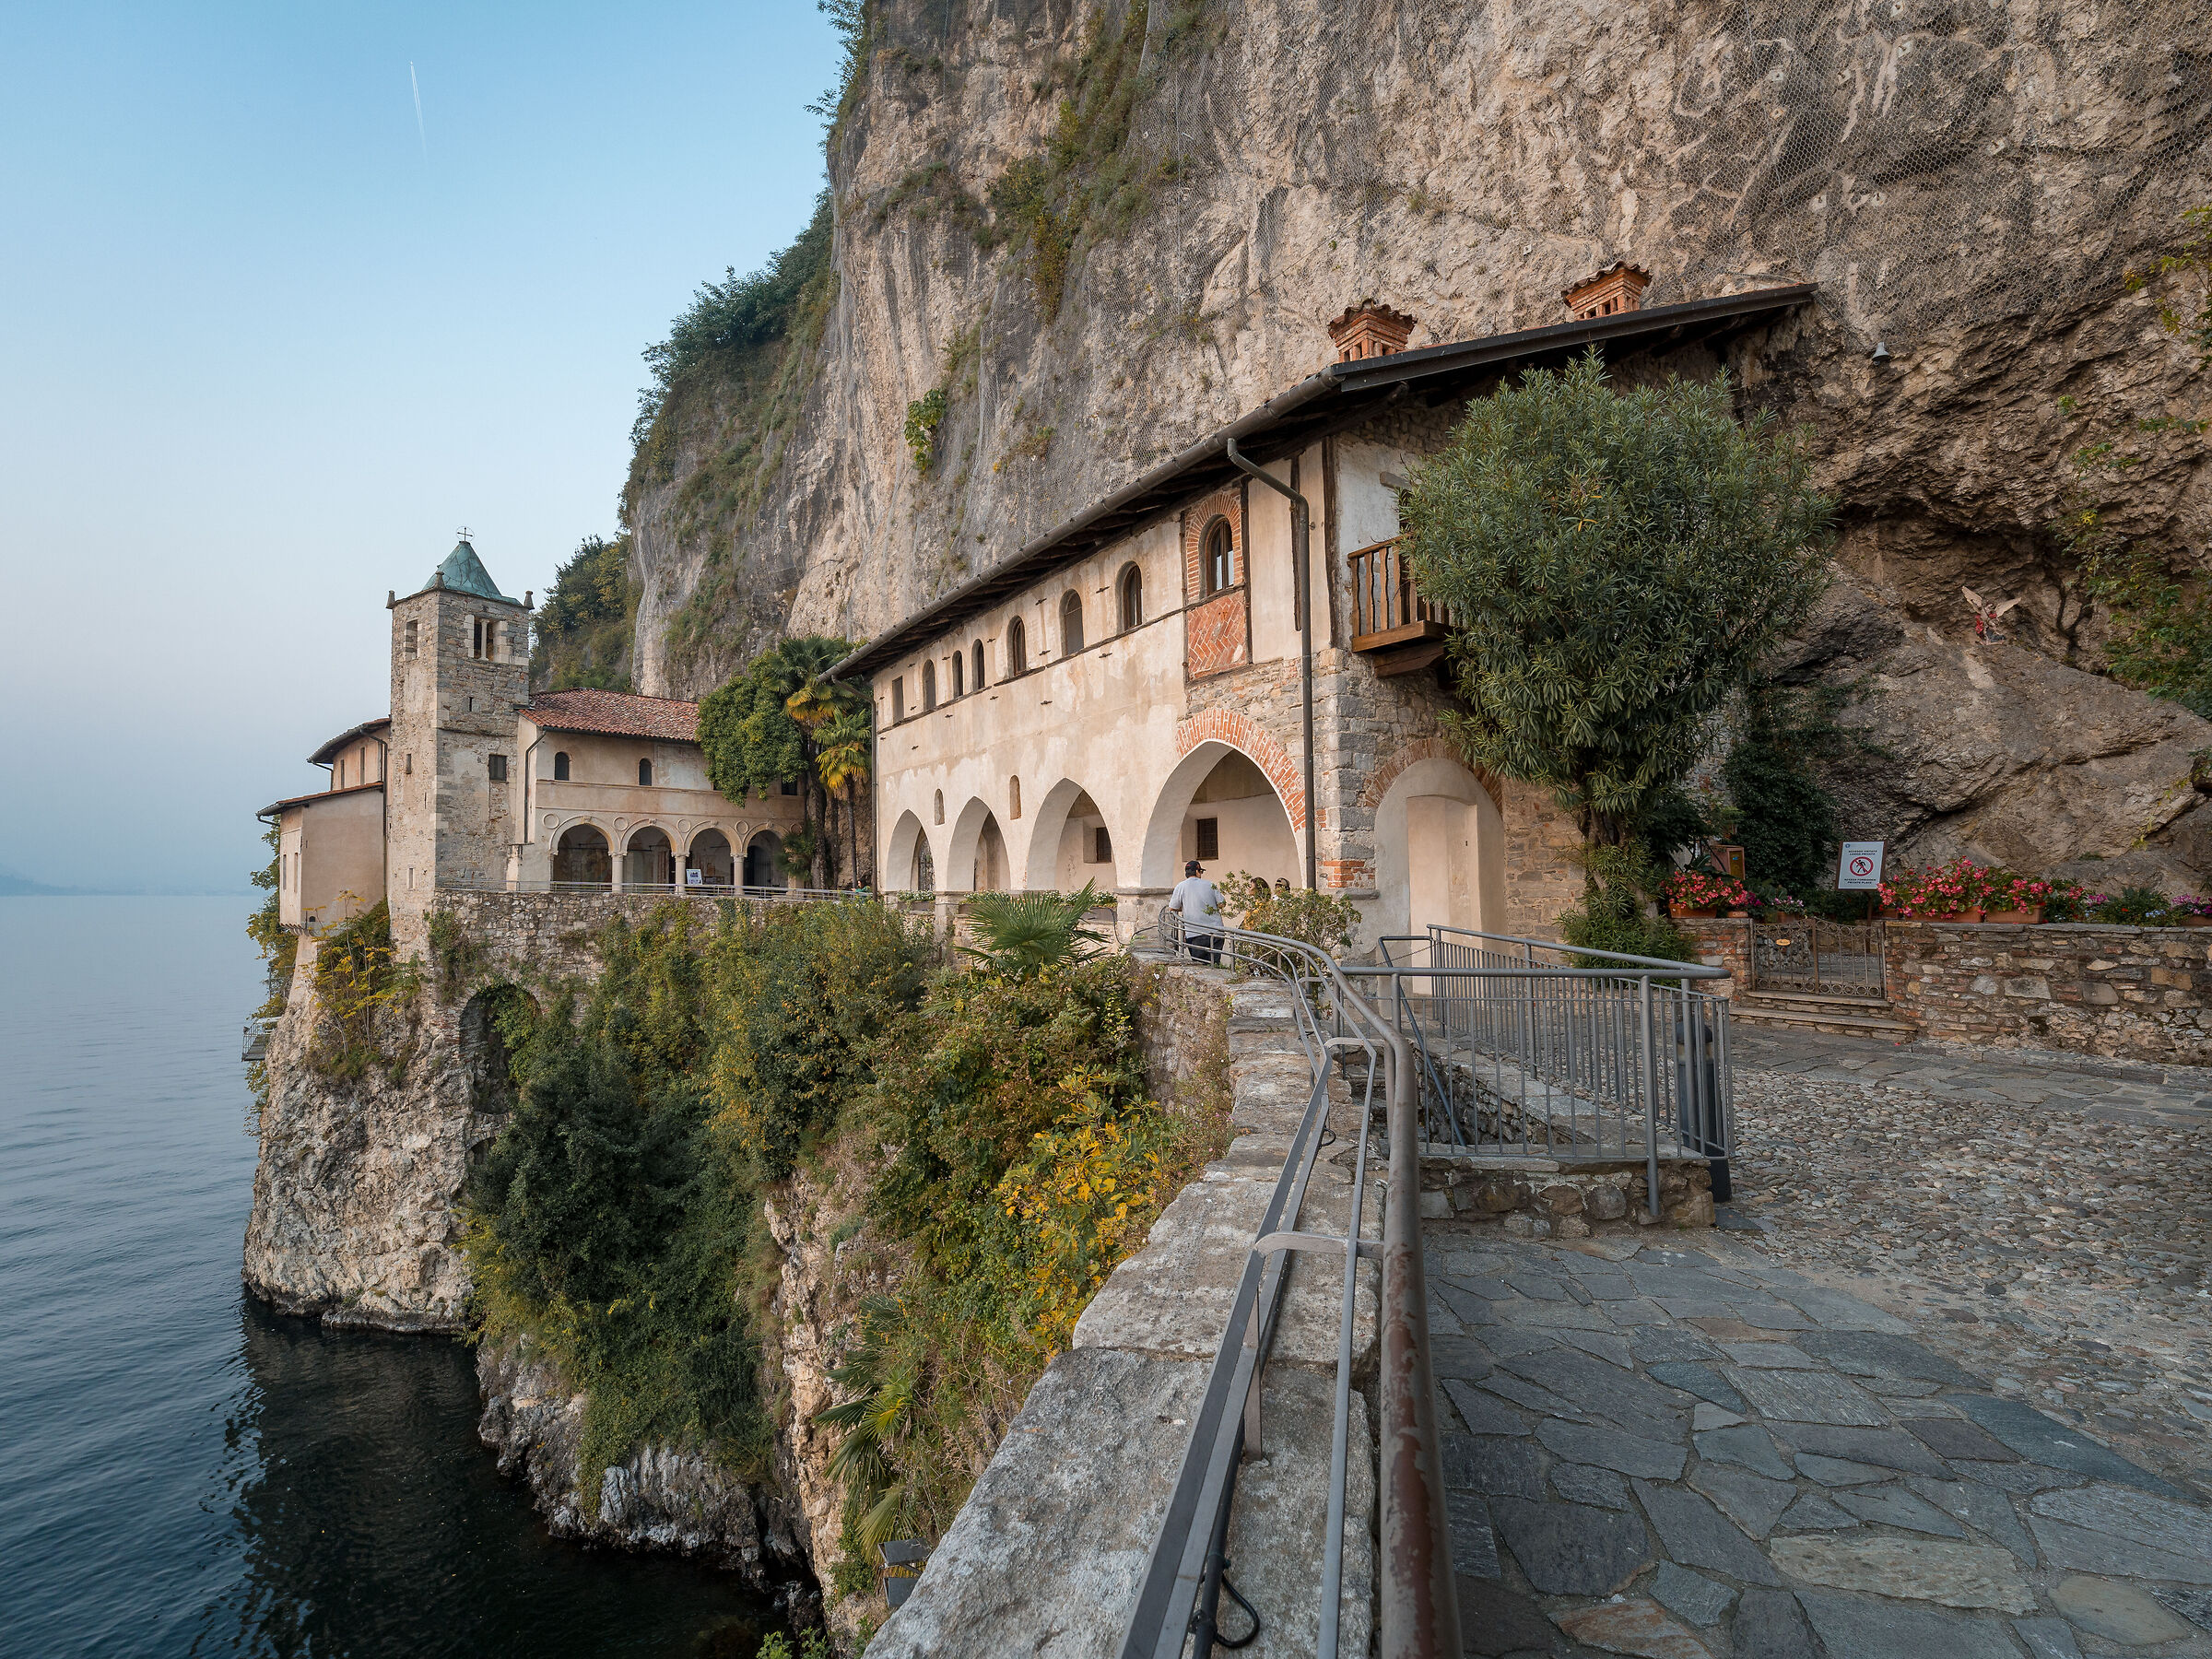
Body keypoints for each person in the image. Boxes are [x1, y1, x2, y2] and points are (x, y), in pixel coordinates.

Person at [1171, 858, 1227, 964]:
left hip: (1195, 933)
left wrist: (1186, 906)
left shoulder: (1180, 886)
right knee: (1215, 965)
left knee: (1200, 966)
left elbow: (1172, 908)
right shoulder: (1210, 884)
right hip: (1216, 931)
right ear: (1197, 871)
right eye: (1200, 871)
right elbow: (1222, 904)